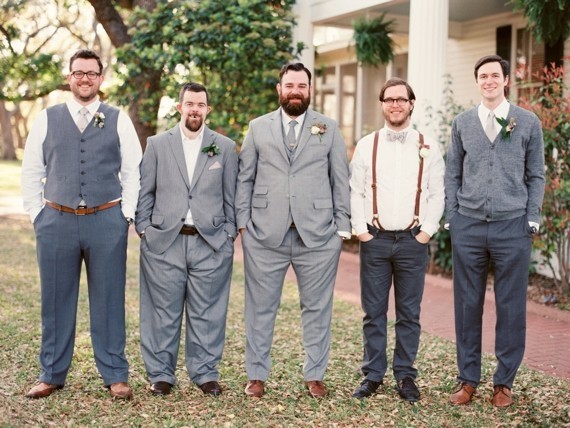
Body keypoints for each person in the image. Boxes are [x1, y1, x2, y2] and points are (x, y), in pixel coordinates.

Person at [21, 49, 142, 399]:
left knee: (109, 299)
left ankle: (115, 374)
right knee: (55, 299)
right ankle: (51, 373)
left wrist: (125, 215)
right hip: (55, 221)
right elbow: (31, 170)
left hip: (107, 221)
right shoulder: (47, 118)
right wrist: (37, 214)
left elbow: (133, 170)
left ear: (101, 79)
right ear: (69, 77)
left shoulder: (118, 119)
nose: (85, 78)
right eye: (78, 72)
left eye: (91, 73)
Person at [235, 62, 350, 398]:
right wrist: (243, 224)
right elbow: (245, 177)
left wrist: (341, 229)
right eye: (289, 85)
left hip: (318, 235)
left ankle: (315, 375)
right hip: (264, 234)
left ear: (309, 90)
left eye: (301, 85)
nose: (295, 91)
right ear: (279, 89)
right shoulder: (258, 127)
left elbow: (339, 179)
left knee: (317, 307)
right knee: (260, 307)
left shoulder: (328, 128)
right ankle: (257, 374)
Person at [445, 54, 545, 407]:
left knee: (511, 307)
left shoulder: (527, 122)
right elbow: (452, 172)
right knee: (467, 305)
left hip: (513, 226)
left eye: (494, 76)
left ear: (506, 80)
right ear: (477, 82)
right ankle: (468, 379)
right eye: (483, 76)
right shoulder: (462, 123)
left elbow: (536, 174)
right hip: (469, 226)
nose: (488, 81)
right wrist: (453, 216)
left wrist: (531, 218)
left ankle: (504, 383)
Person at [135, 82, 238, 397]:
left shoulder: (225, 147)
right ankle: (161, 375)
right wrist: (145, 230)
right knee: (161, 311)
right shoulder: (157, 144)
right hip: (164, 241)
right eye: (190, 104)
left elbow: (232, 196)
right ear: (179, 107)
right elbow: (145, 192)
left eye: (201, 105)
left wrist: (228, 234)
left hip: (211, 242)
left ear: (208, 109)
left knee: (208, 311)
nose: (195, 109)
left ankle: (205, 373)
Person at [349, 78, 445, 402]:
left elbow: (437, 193)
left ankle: (405, 375)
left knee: (409, 314)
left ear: (411, 104)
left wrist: (426, 231)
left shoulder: (428, 146)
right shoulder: (367, 145)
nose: (395, 105)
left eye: (401, 99)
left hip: (412, 241)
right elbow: (356, 190)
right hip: (375, 239)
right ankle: (373, 375)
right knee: (373, 312)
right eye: (389, 99)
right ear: (382, 105)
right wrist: (361, 230)